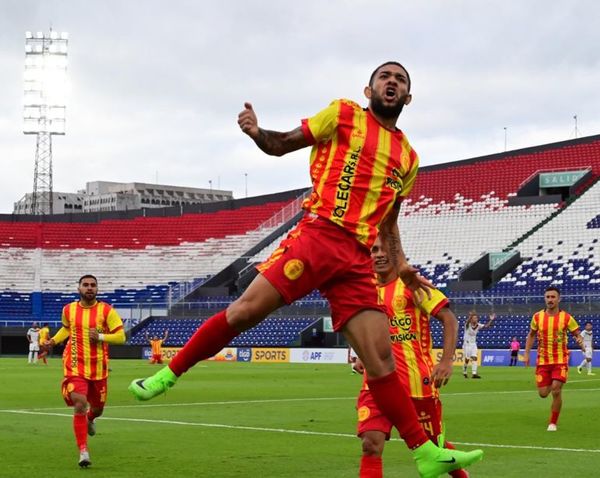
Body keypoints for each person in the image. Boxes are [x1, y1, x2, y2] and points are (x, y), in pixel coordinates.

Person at [129, 62, 483, 477]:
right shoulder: (345, 114)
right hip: (318, 236)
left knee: (380, 360)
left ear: (408, 97)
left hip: (356, 260)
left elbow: (388, 221)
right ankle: (169, 373)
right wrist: (257, 133)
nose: (392, 82)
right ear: (368, 90)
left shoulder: (408, 158)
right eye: (385, 76)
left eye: (401, 80)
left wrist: (401, 265)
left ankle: (424, 453)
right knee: (245, 312)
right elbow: (282, 144)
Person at [352, 236, 468, 478]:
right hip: (377, 383)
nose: (380, 254)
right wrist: (363, 355)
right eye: (374, 250)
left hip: (416, 382)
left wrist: (446, 361)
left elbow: (449, 318)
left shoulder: (413, 284)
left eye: (385, 249)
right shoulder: (365, 289)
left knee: (433, 448)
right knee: (371, 445)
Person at [46, 274, 125, 467]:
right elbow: (66, 329)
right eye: (85, 285)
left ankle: (91, 418)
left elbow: (121, 337)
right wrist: (54, 341)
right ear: (79, 288)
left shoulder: (106, 310)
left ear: (97, 289)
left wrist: (100, 336)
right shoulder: (68, 309)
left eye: (93, 285)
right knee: (80, 403)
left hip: (98, 368)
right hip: (74, 365)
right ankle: (83, 451)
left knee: (98, 409)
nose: (89, 288)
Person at [524, 286, 585, 431]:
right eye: (548, 297)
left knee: (556, 390)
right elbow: (531, 335)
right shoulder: (537, 317)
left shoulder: (567, 318)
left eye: (553, 297)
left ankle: (553, 422)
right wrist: (526, 353)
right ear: (545, 298)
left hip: (560, 360)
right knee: (543, 393)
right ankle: (553, 381)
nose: (550, 300)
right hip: (543, 361)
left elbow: (577, 334)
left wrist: (580, 341)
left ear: (559, 299)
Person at [462, 311, 494, 378]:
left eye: (476, 318)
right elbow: (467, 322)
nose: (475, 319)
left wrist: (491, 319)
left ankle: (474, 373)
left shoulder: (478, 325)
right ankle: (464, 370)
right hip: (467, 344)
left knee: (474, 358)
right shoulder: (467, 325)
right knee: (467, 359)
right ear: (471, 319)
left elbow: (486, 326)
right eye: (474, 318)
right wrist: (470, 316)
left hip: (473, 344)